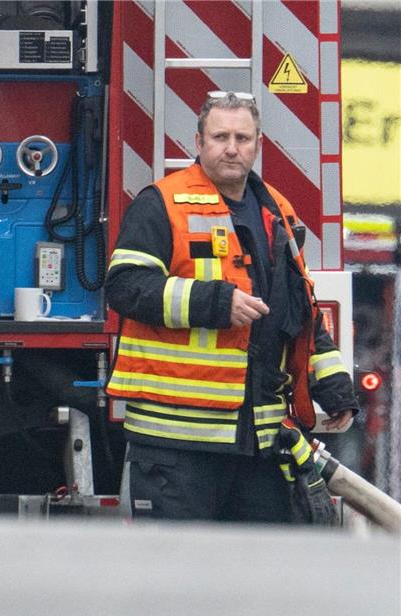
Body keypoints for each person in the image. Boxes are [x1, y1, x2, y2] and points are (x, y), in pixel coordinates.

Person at [105, 91, 358, 523]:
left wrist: (333, 387)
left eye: (243, 138)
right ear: (198, 142)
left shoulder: (278, 211)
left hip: (259, 441)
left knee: (260, 578)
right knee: (183, 576)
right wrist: (216, 302)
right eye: (220, 136)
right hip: (178, 443)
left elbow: (301, 311)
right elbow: (125, 286)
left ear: (258, 145)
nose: (231, 147)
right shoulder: (161, 203)